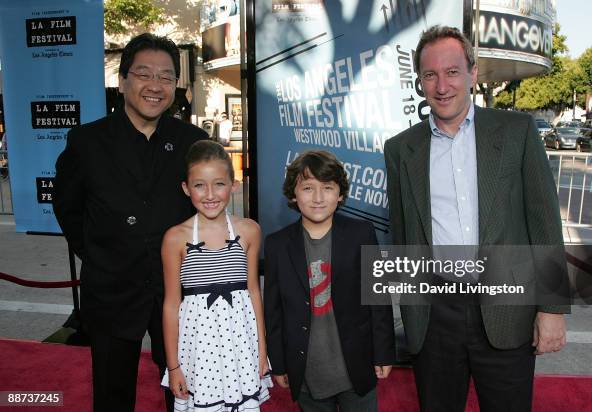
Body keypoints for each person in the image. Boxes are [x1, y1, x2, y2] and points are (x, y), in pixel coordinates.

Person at [384, 25, 569, 411]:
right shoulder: (401, 149)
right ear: (420, 81)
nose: (442, 85)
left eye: (452, 72)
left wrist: (551, 309)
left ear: (472, 72)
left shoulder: (516, 132)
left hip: (507, 309)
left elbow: (544, 223)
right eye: (430, 75)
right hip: (434, 316)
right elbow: (403, 237)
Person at [53, 33, 209, 412]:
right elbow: (68, 207)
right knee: (111, 392)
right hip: (111, 291)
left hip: (180, 290)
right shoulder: (86, 142)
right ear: (122, 81)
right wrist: (98, 254)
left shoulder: (194, 142)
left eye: (167, 77)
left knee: (186, 391)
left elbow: (209, 208)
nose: (155, 86)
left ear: (176, 85)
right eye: (144, 74)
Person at [264, 150, 395, 411]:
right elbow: (274, 311)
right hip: (307, 371)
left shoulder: (362, 233)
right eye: (308, 188)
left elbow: (378, 299)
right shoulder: (277, 245)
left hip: (356, 365)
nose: (318, 198)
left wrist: (383, 352)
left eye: (327, 187)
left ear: (341, 194)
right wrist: (277, 362)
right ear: (293, 193)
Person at [160, 140, 271, 411]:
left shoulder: (250, 230)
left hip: (241, 341)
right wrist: (173, 365)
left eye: (219, 184)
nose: (210, 194)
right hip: (198, 346)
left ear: (234, 185)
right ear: (186, 188)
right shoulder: (175, 238)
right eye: (199, 185)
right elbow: (172, 304)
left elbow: (254, 291)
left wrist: (262, 349)